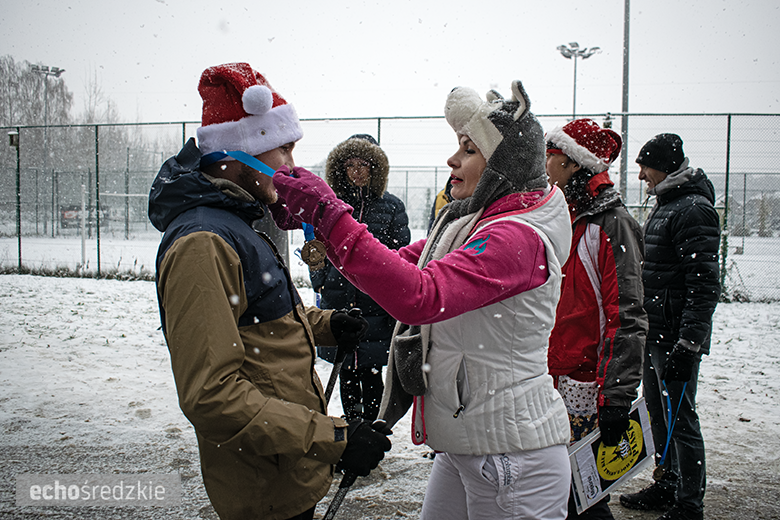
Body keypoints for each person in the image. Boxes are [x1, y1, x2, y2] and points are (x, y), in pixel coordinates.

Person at [272, 80, 573, 519]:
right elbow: (393, 267)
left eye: (469, 150)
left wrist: (328, 215)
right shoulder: (469, 224)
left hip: (515, 454)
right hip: (468, 442)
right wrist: (317, 222)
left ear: (501, 166)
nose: (453, 159)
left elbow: (419, 295)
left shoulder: (517, 237)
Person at [148, 62, 390, 520]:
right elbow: (211, 394)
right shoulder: (204, 242)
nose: (293, 167)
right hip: (264, 482)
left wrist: (327, 326)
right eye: (285, 151)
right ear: (243, 154)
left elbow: (258, 327)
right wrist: (333, 439)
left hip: (287, 467)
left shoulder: (235, 223)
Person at [545, 119, 648, 519]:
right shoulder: (559, 217)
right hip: (549, 379)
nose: (544, 167)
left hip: (586, 385)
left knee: (583, 497)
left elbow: (626, 316)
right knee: (550, 491)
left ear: (572, 163)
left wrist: (616, 396)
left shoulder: (611, 224)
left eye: (550, 158)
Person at [619, 134, 720, 520]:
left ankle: (689, 503)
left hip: (676, 338)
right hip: (654, 330)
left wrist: (689, 344)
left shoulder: (693, 209)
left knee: (681, 417)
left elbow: (705, 284)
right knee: (658, 414)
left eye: (645, 166)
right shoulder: (667, 204)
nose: (641, 174)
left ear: (664, 165)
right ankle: (667, 483)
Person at [312, 134, 410, 422]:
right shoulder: (330, 206)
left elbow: (401, 252)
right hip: (338, 297)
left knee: (371, 369)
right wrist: (319, 278)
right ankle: (353, 423)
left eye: (363, 164)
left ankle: (373, 425)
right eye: (349, 164)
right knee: (346, 369)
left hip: (375, 302)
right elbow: (316, 247)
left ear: (374, 168)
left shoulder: (391, 207)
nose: (356, 171)